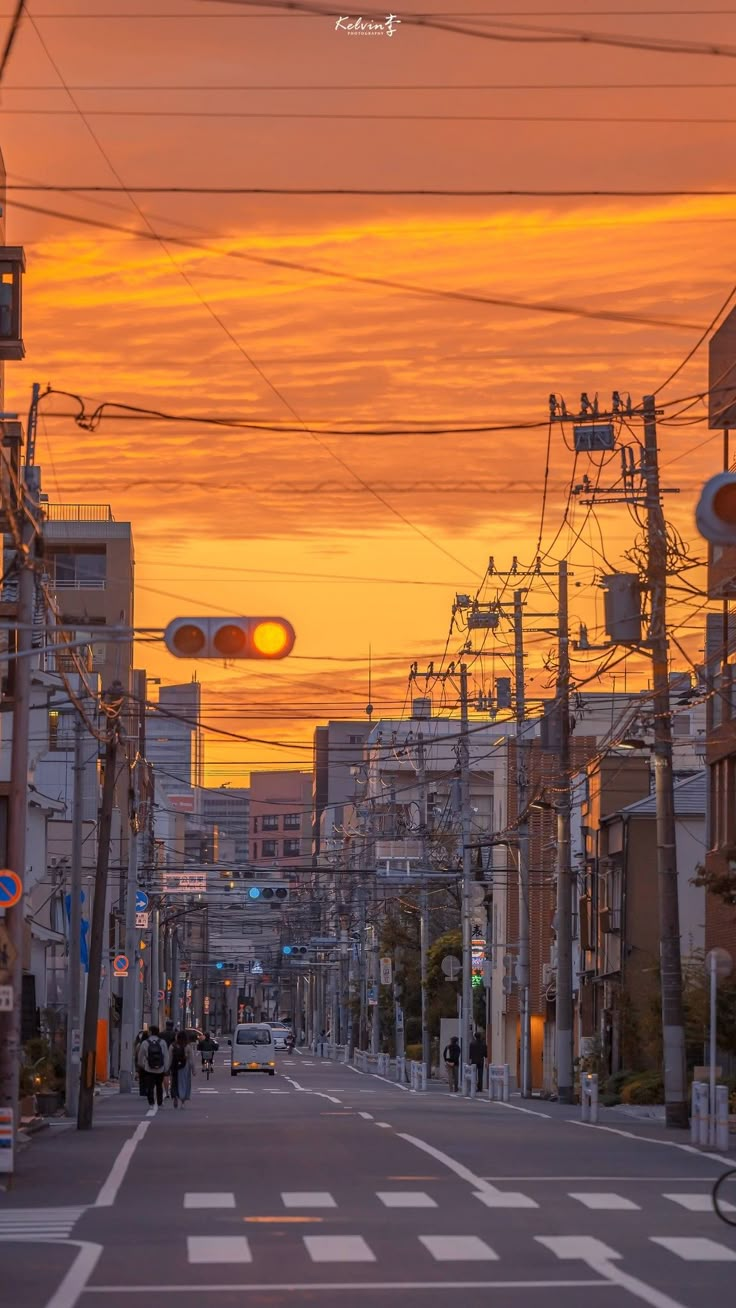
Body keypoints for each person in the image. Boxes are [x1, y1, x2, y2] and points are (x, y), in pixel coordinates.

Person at [137, 1024, 171, 1107]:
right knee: (159, 1085)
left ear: (151, 1032)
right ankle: (159, 1102)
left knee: (150, 1086)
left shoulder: (145, 1043)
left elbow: (141, 1055)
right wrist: (166, 1067)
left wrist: (142, 1065)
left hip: (149, 1068)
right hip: (160, 1068)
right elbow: (166, 1056)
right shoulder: (162, 1042)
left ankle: (151, 1102)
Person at [170, 1031, 196, 1108]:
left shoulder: (172, 1046)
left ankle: (175, 1096)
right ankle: (183, 1101)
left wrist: (167, 1068)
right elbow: (191, 1059)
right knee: (184, 1083)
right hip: (185, 1067)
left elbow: (169, 1058)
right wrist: (193, 1070)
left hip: (175, 1066)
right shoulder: (187, 1046)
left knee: (174, 1082)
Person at [161, 1020, 176, 1099]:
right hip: (173, 1056)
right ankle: (173, 1091)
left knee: (166, 1075)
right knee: (173, 1075)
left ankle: (166, 1093)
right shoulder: (175, 1034)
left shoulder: (162, 1034)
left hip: (164, 1056)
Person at [134, 1028, 149, 1097]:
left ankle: (142, 1091)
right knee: (148, 1077)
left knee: (142, 1078)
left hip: (140, 1064)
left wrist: (136, 1067)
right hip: (148, 1063)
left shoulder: (139, 1045)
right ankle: (147, 1090)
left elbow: (136, 1056)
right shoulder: (149, 1044)